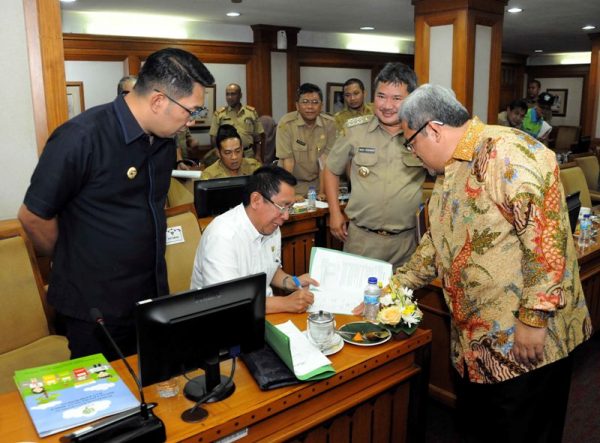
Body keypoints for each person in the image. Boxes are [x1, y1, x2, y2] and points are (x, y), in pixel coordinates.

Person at [394, 83, 591, 443]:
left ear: (432, 130)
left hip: (525, 343)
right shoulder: (450, 172)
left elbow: (546, 237)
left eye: (411, 143)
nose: (413, 153)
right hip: (478, 346)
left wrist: (533, 317)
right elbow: (436, 242)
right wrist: (395, 288)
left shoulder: (508, 150)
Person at [18, 48, 215, 360]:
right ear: (158, 101)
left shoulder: (164, 143)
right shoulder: (80, 138)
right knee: (105, 402)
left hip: (149, 297)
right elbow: (32, 217)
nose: (191, 122)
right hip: (96, 307)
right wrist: (73, 258)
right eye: (191, 111)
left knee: (152, 392)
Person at [323, 62, 424, 270]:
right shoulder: (354, 130)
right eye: (381, 96)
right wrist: (334, 212)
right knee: (355, 300)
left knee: (400, 302)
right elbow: (331, 169)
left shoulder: (422, 134)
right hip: (362, 239)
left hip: (407, 242)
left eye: (397, 98)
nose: (387, 105)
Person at [191, 165, 317, 313]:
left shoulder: (272, 227)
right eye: (282, 206)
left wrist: (292, 282)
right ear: (256, 200)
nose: (286, 216)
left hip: (261, 312)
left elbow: (269, 267)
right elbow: (227, 302)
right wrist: (285, 303)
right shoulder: (222, 236)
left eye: (290, 207)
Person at [276, 83, 336, 198]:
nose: (310, 107)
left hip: (319, 183)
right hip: (292, 183)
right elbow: (288, 162)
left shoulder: (329, 124)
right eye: (305, 102)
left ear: (321, 105)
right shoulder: (286, 124)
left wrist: (322, 192)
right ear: (297, 106)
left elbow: (325, 161)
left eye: (315, 102)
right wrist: (291, 194)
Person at [209, 83, 265, 160]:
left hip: (248, 154)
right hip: (228, 155)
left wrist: (258, 155)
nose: (230, 97)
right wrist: (217, 151)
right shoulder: (219, 114)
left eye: (233, 94)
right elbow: (213, 136)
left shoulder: (251, 112)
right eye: (227, 94)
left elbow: (258, 137)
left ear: (240, 95)